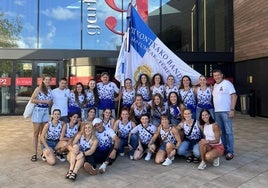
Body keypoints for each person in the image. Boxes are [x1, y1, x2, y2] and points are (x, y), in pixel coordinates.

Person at [212, 69, 237, 160]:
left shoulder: (227, 83)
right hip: (217, 112)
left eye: (218, 75)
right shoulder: (215, 85)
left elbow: (234, 96)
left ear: (222, 75)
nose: (216, 77)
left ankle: (230, 152)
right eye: (214, 75)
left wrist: (232, 109)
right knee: (221, 132)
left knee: (228, 132)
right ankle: (225, 149)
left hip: (226, 111)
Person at [30, 75, 52, 162]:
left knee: (43, 134)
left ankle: (43, 152)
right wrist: (45, 101)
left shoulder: (50, 90)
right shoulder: (38, 89)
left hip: (45, 111)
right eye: (46, 80)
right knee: (36, 133)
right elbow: (32, 100)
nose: (47, 81)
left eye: (49, 80)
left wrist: (50, 103)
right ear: (42, 81)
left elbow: (50, 101)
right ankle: (34, 153)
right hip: (38, 111)